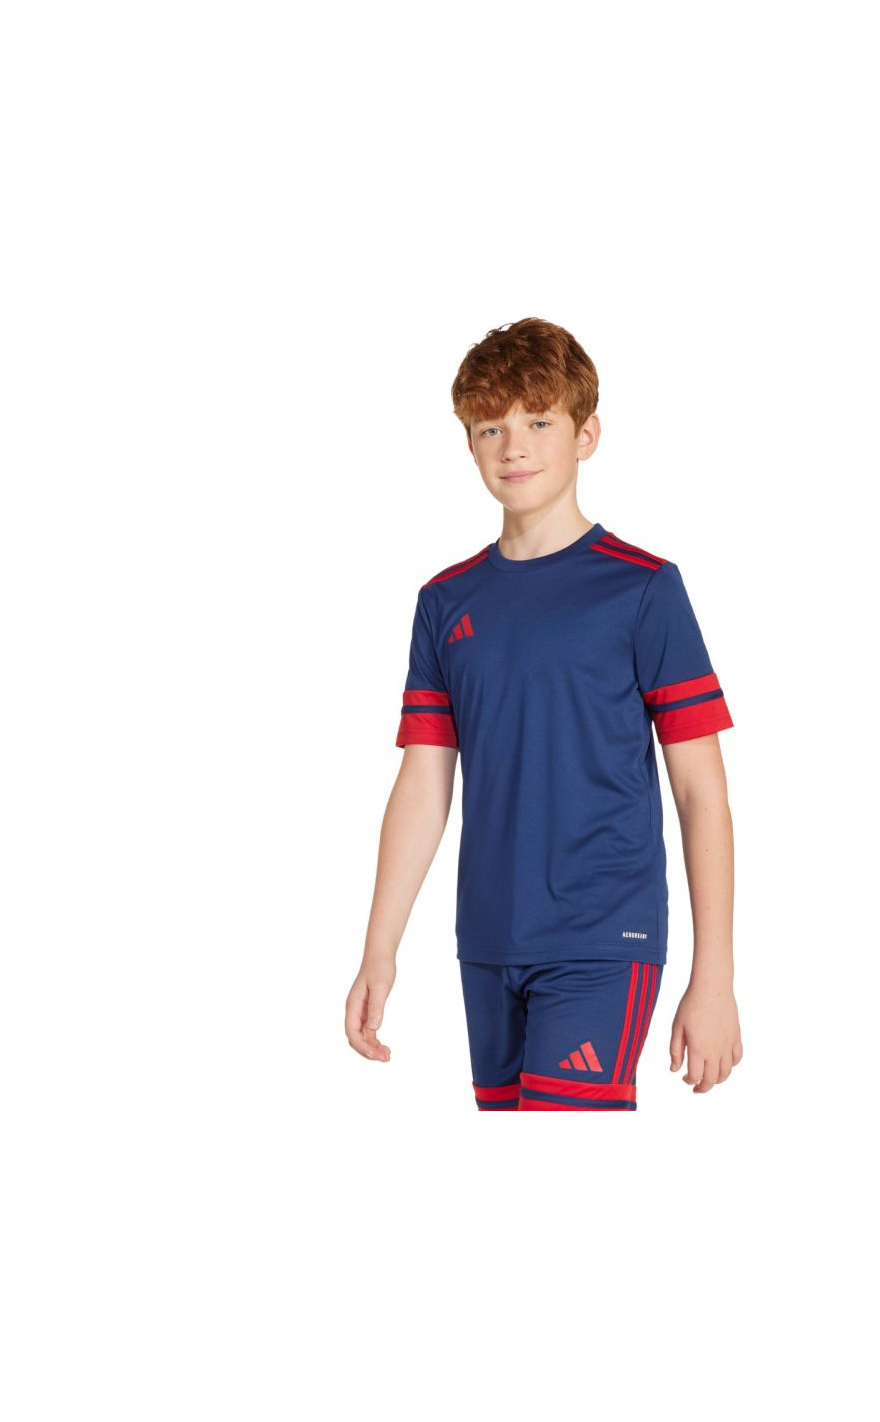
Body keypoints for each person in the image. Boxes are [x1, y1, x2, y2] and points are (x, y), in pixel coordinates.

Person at [345, 317, 743, 1110]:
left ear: (586, 435)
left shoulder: (643, 588)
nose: (513, 447)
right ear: (468, 443)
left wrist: (716, 977)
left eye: (538, 422)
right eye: (490, 427)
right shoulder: (445, 602)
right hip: (488, 941)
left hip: (604, 938)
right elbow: (424, 783)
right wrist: (378, 949)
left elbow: (701, 792)